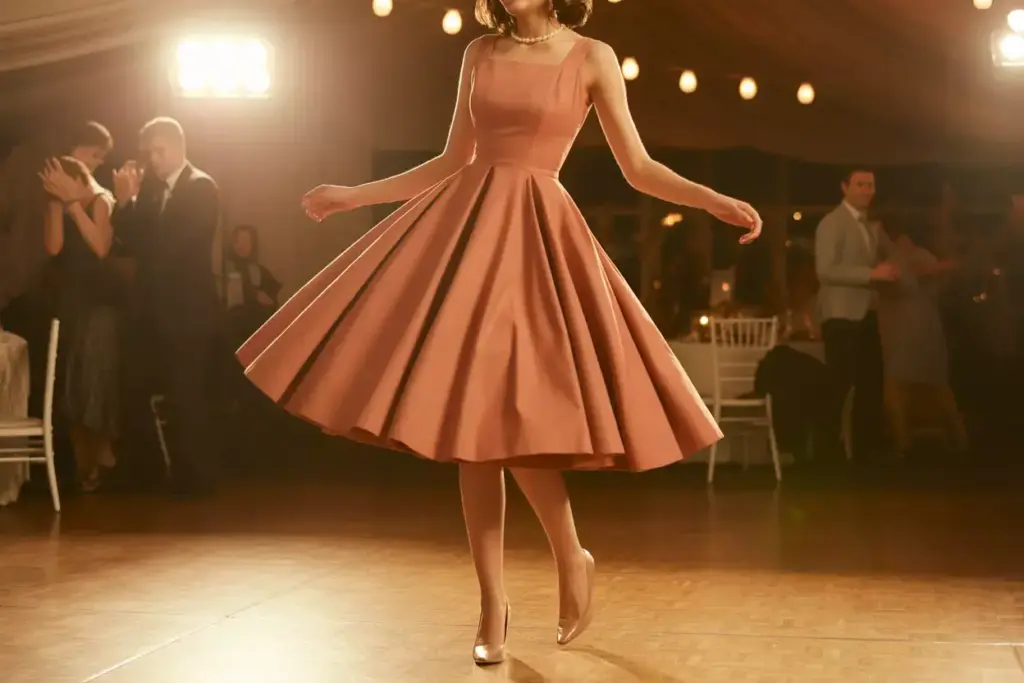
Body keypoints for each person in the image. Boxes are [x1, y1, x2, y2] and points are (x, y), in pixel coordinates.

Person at [238, 0, 761, 664]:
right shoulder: (480, 53)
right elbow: (453, 158)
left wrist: (709, 200)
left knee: (519, 425)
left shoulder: (593, 57)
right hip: (468, 235)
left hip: (539, 241)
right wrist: (355, 196)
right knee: (475, 428)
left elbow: (637, 167)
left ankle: (570, 554)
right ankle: (492, 603)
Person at [111, 117, 221, 496]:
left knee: (186, 395)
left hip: (188, 313)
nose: (154, 160)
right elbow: (128, 242)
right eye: (150, 152)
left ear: (178, 146)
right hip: (152, 312)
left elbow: (173, 248)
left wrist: (137, 205)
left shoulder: (201, 187)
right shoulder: (154, 193)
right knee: (137, 389)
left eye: (159, 151)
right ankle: (151, 472)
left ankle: (198, 479)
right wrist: (126, 201)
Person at [38, 157, 119, 491]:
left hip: (99, 302)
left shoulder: (100, 202)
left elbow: (100, 247)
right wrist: (56, 204)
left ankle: (100, 457)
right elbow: (54, 246)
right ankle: (83, 464)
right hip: (69, 301)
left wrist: (73, 205)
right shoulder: (57, 204)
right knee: (69, 384)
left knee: (94, 381)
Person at [814, 168, 898, 461]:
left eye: (870, 185)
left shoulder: (869, 225)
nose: (866, 190)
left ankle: (865, 449)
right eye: (860, 185)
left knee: (871, 383)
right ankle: (826, 450)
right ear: (845, 187)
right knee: (839, 384)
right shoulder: (831, 223)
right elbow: (825, 270)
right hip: (841, 315)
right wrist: (871, 273)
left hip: (865, 312)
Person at [877, 223, 967, 456]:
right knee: (932, 385)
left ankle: (904, 441)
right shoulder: (900, 257)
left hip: (910, 329)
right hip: (914, 327)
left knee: (902, 385)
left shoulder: (904, 257)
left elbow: (920, 275)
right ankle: (956, 438)